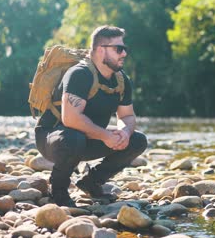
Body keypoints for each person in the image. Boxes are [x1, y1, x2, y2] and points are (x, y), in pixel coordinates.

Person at [34, 25, 147, 207]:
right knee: (73, 137)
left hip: (87, 138)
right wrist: (105, 135)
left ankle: (91, 182)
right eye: (119, 49)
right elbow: (70, 119)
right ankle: (58, 190)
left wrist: (124, 133)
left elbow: (127, 116)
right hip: (53, 138)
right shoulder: (80, 74)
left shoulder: (121, 80)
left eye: (124, 49)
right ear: (101, 50)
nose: (124, 54)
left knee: (138, 140)